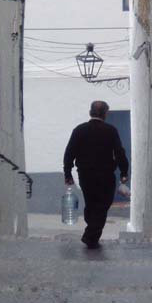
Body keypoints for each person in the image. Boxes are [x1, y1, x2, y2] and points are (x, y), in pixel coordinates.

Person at [63, 100, 129, 248]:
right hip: (105, 176)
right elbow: (119, 153)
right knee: (103, 205)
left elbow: (69, 153)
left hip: (85, 176)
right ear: (105, 114)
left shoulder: (79, 130)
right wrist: (124, 172)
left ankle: (91, 234)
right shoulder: (111, 131)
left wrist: (68, 173)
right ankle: (90, 236)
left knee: (91, 204)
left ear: (90, 112)